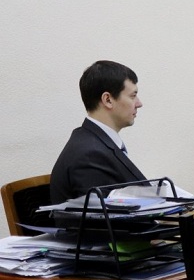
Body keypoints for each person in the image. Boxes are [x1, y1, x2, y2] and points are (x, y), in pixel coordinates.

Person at [50, 60, 147, 204]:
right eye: (133, 96)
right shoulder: (90, 155)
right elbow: (105, 216)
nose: (139, 103)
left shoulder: (95, 143)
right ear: (108, 100)